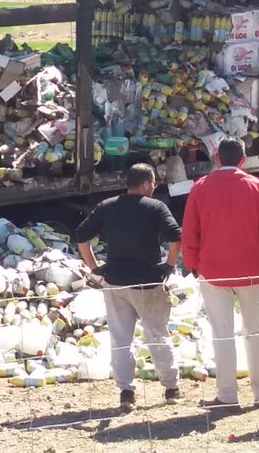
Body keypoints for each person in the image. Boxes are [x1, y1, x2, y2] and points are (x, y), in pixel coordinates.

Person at [181, 136, 259, 409]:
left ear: (216, 158)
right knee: (255, 331)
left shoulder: (201, 188)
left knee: (222, 333)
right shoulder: (257, 187)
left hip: (213, 271)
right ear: (243, 159)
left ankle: (227, 396)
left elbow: (190, 232)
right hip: (252, 270)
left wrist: (193, 264)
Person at [75, 163, 182, 411]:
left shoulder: (107, 206)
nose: (154, 188)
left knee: (121, 339)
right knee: (157, 335)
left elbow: (81, 236)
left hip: (115, 282)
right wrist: (168, 265)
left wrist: (94, 267)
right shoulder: (156, 207)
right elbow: (176, 237)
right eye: (153, 184)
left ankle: (126, 393)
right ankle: (170, 389)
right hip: (148, 281)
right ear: (146, 184)